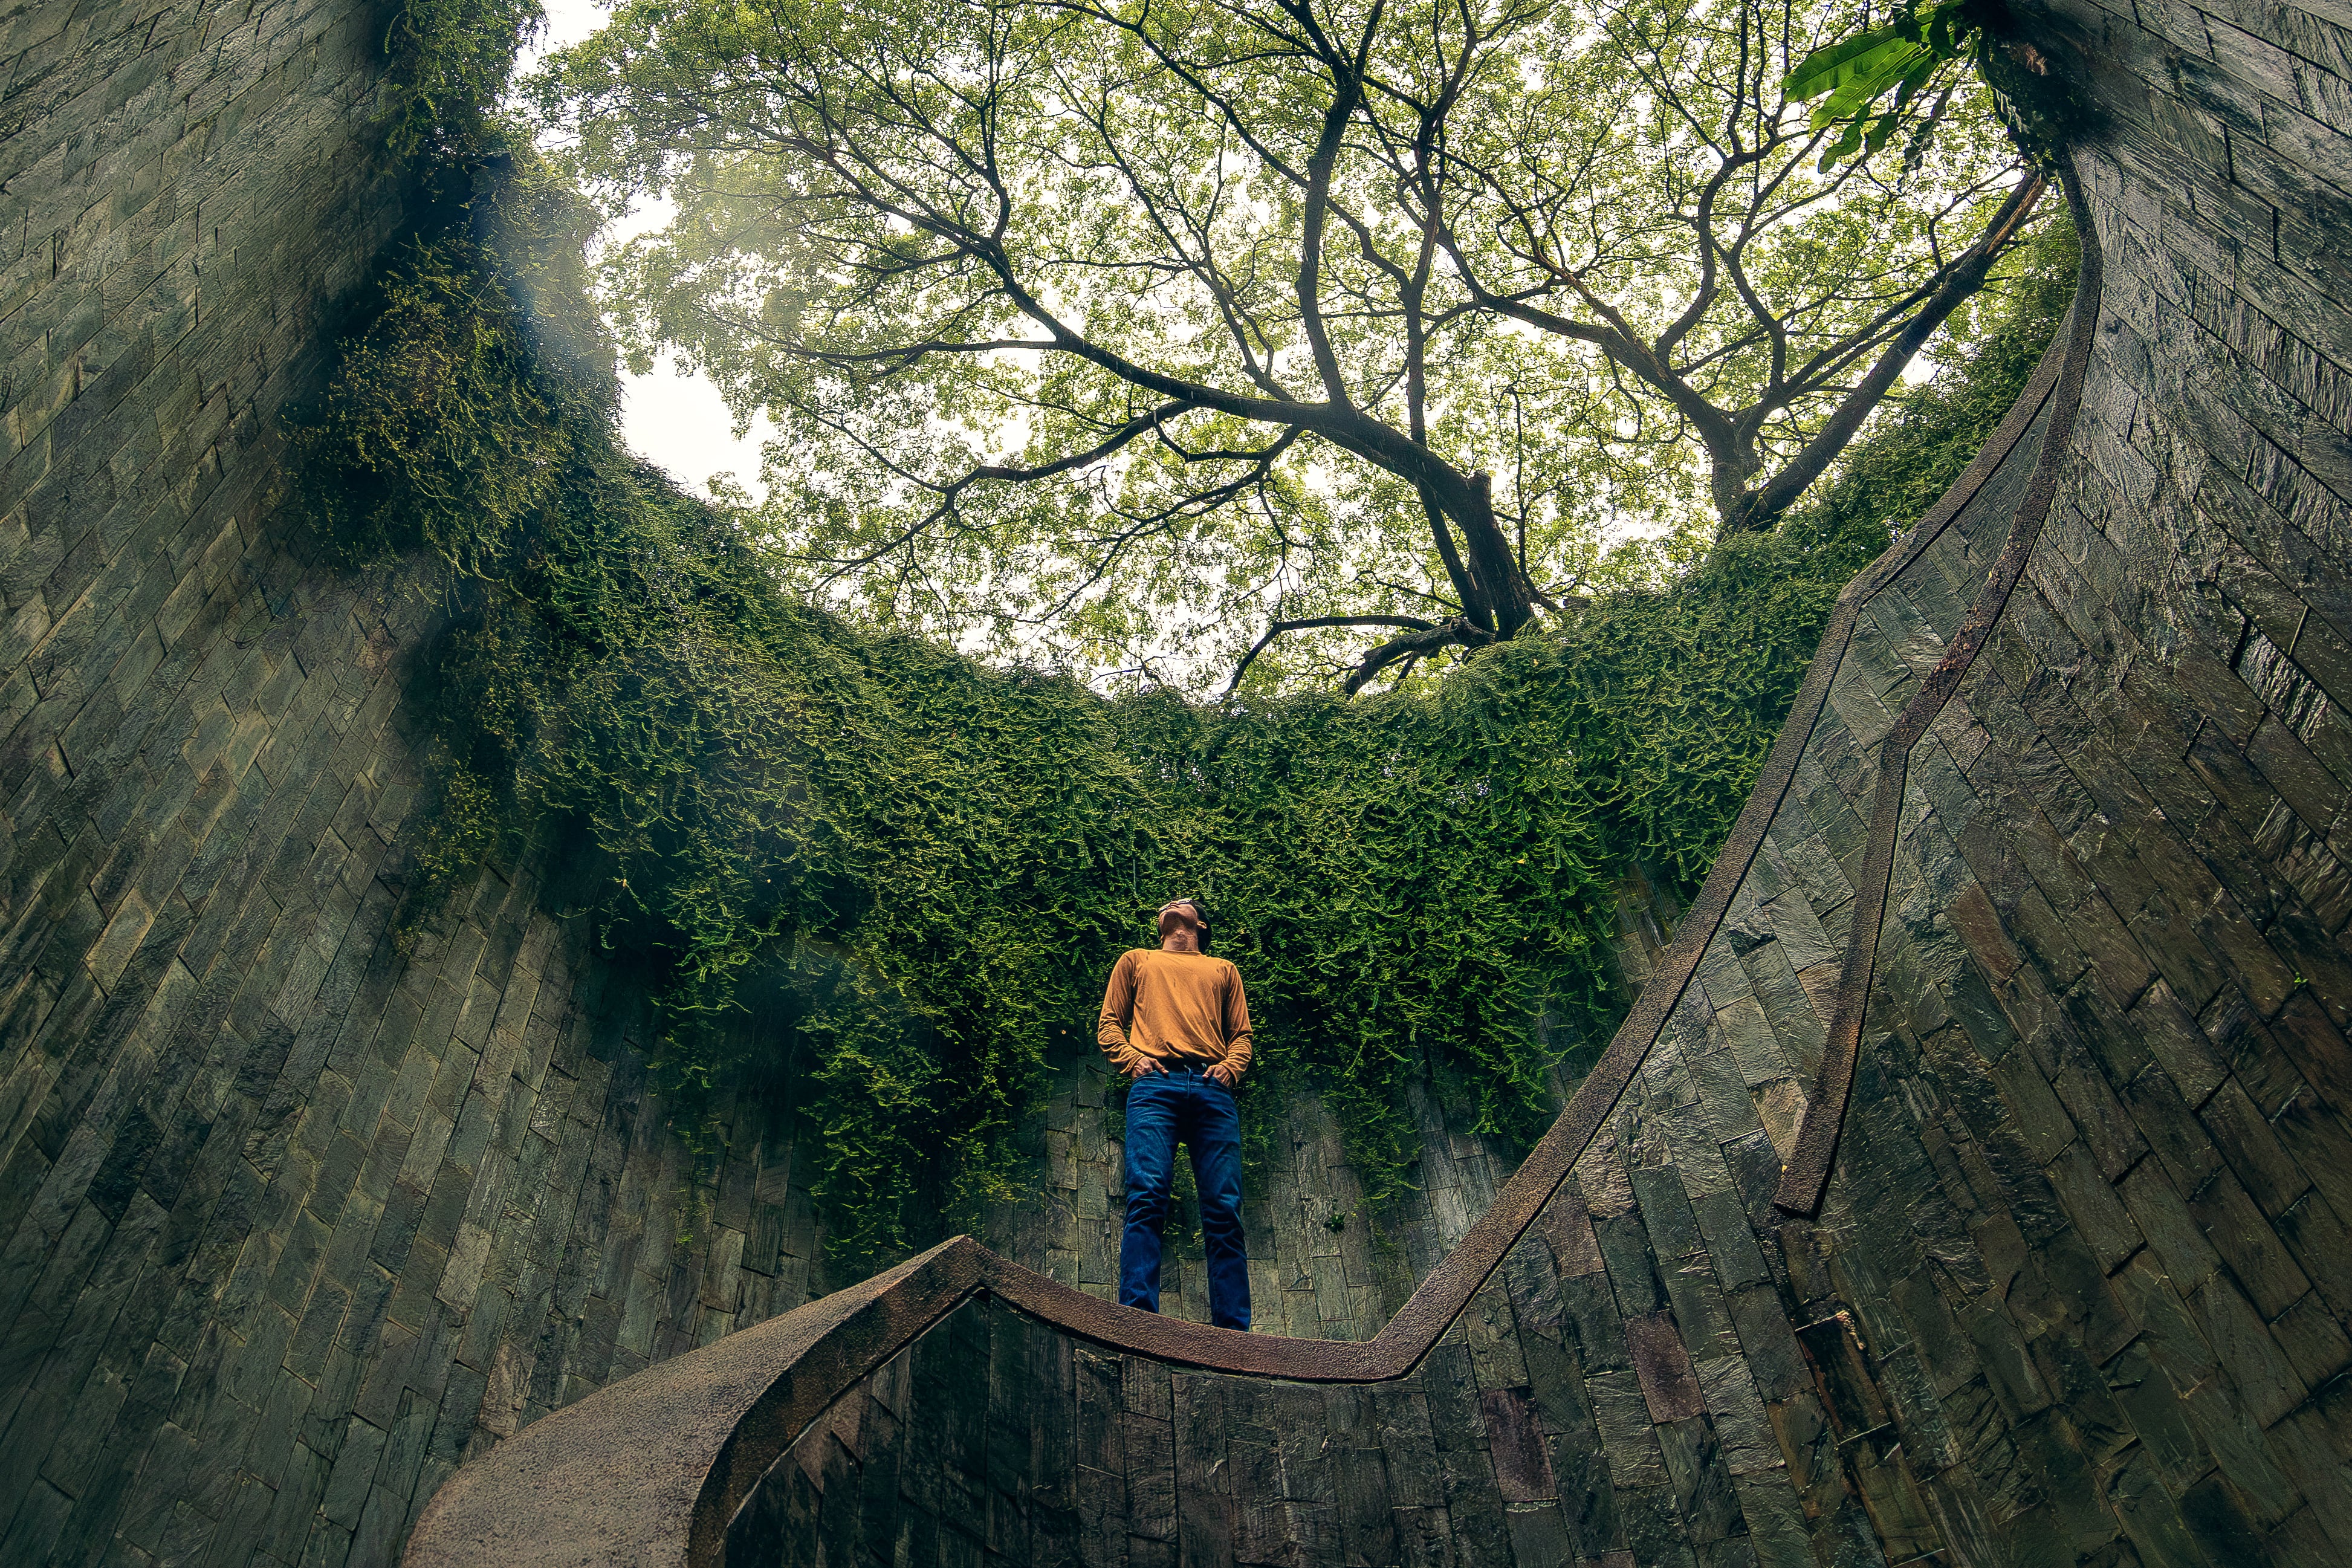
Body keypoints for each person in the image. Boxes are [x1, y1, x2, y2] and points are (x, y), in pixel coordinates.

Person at [1097, 896, 1253, 1330]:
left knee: (1224, 1209)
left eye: (1183, 903)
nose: (1171, 903)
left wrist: (1231, 1068)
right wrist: (1133, 1060)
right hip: (1154, 1087)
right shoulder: (1136, 960)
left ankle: (1234, 1335)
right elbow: (1109, 1024)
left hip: (1211, 1087)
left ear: (1200, 924)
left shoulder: (1223, 969)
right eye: (1167, 904)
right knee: (1146, 1196)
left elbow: (1241, 1035)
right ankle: (1138, 1323)